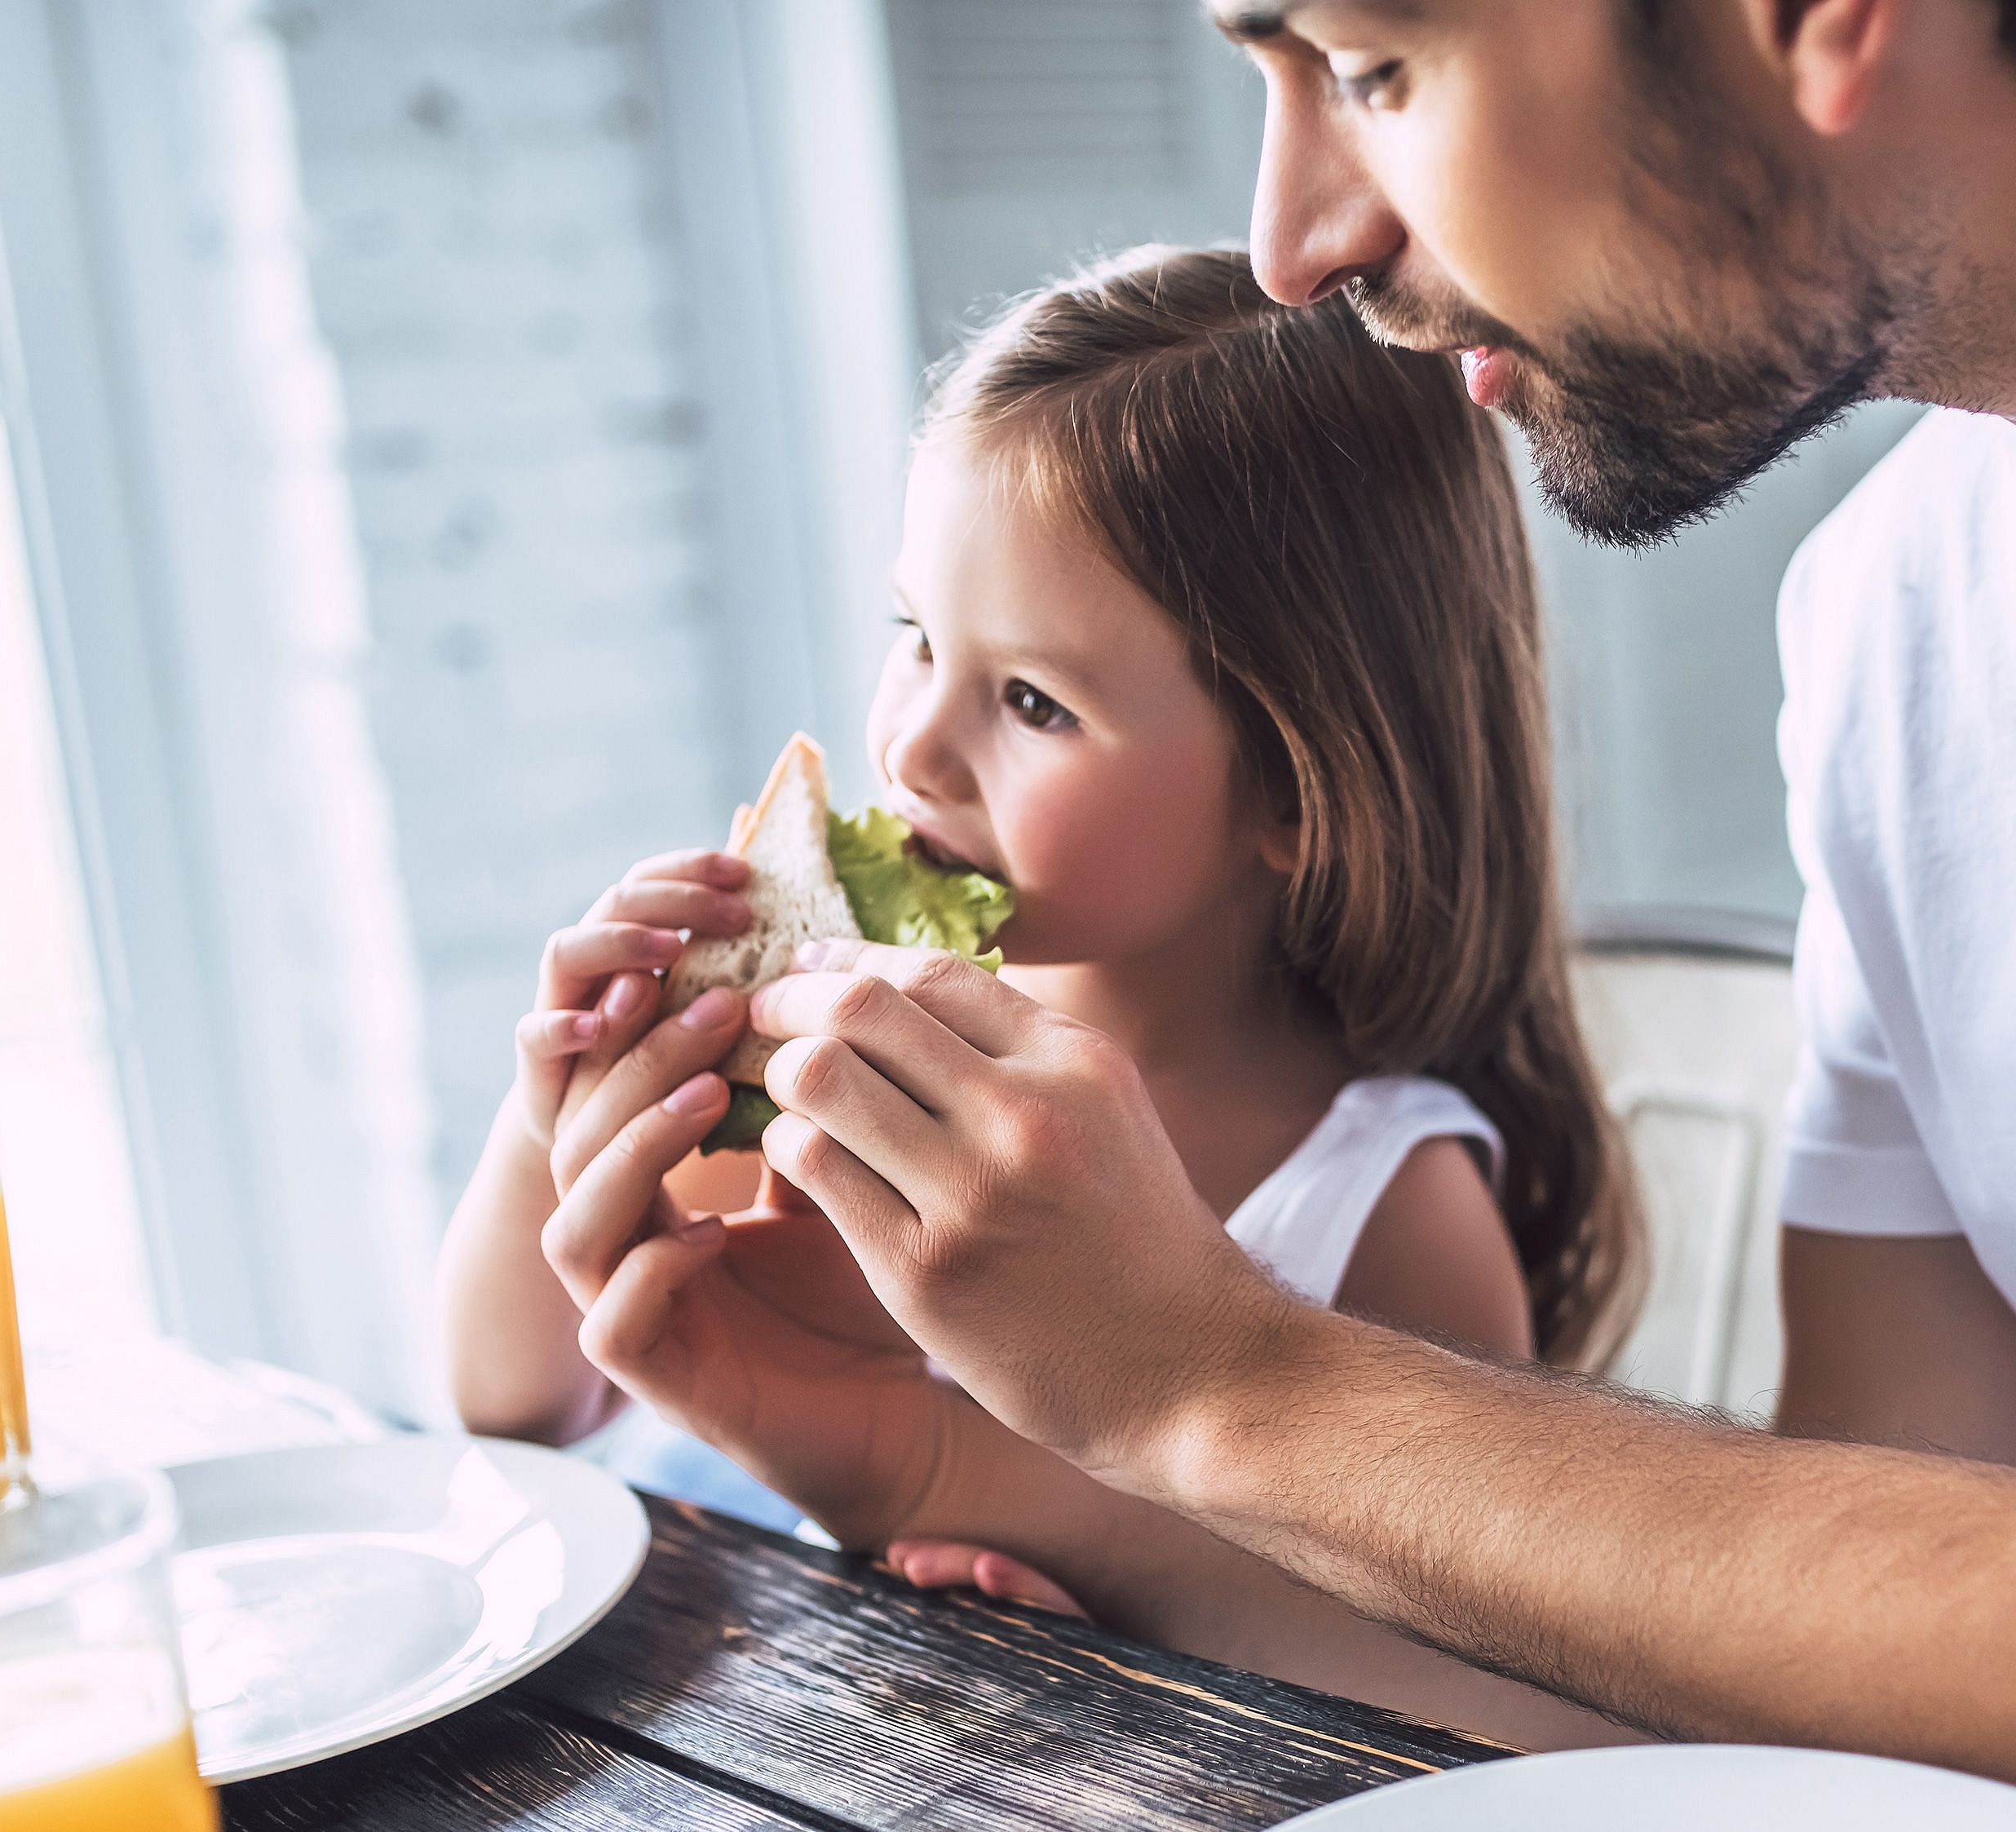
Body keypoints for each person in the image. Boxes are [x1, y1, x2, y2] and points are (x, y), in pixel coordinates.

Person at [546, 1, 2016, 1825]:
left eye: (1374, 62)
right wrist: (961, 1459)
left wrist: (1212, 1373)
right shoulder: (1898, 620)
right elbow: (1848, 1622)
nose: (1296, 238)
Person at [438, 246, 1637, 1747]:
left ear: (1298, 791)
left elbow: (1474, 1699)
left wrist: (1110, 1630)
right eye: (916, 638)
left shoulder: (1389, 1203)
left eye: (1032, 701)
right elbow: (518, 1408)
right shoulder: (838, 1068)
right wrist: (558, 1116)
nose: (915, 748)